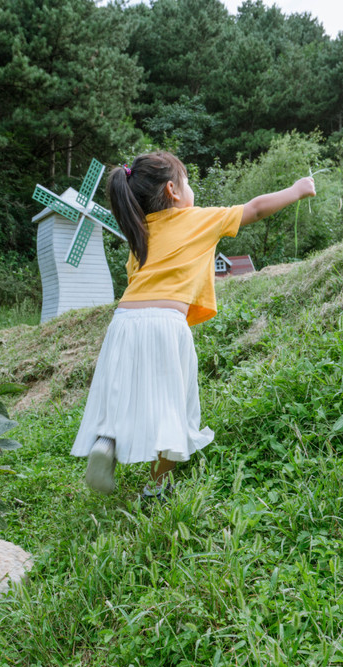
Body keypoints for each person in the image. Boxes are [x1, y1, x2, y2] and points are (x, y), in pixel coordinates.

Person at [70, 150, 316, 500]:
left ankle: (106, 442)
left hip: (124, 322)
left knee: (122, 394)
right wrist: (297, 189)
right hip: (165, 324)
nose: (191, 189)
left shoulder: (140, 236)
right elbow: (256, 209)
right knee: (172, 407)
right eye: (187, 182)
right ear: (173, 190)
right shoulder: (199, 219)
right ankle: (156, 487)